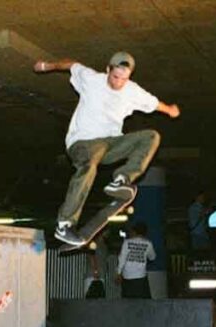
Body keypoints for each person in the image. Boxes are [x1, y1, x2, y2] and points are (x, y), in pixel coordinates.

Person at [33, 52, 181, 246]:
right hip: (83, 143)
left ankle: (122, 179)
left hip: (111, 145)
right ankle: (65, 223)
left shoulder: (132, 90)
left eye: (124, 79)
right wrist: (47, 66)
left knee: (151, 136)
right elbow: (72, 64)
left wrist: (169, 109)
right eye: (115, 77)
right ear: (108, 70)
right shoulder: (92, 79)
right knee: (90, 164)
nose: (118, 83)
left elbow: (153, 104)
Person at [117, 223, 156, 298]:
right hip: (141, 277)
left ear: (134, 231)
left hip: (127, 277)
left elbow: (122, 258)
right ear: (145, 233)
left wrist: (118, 273)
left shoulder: (127, 242)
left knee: (128, 301)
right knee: (143, 302)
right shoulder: (148, 243)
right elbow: (152, 257)